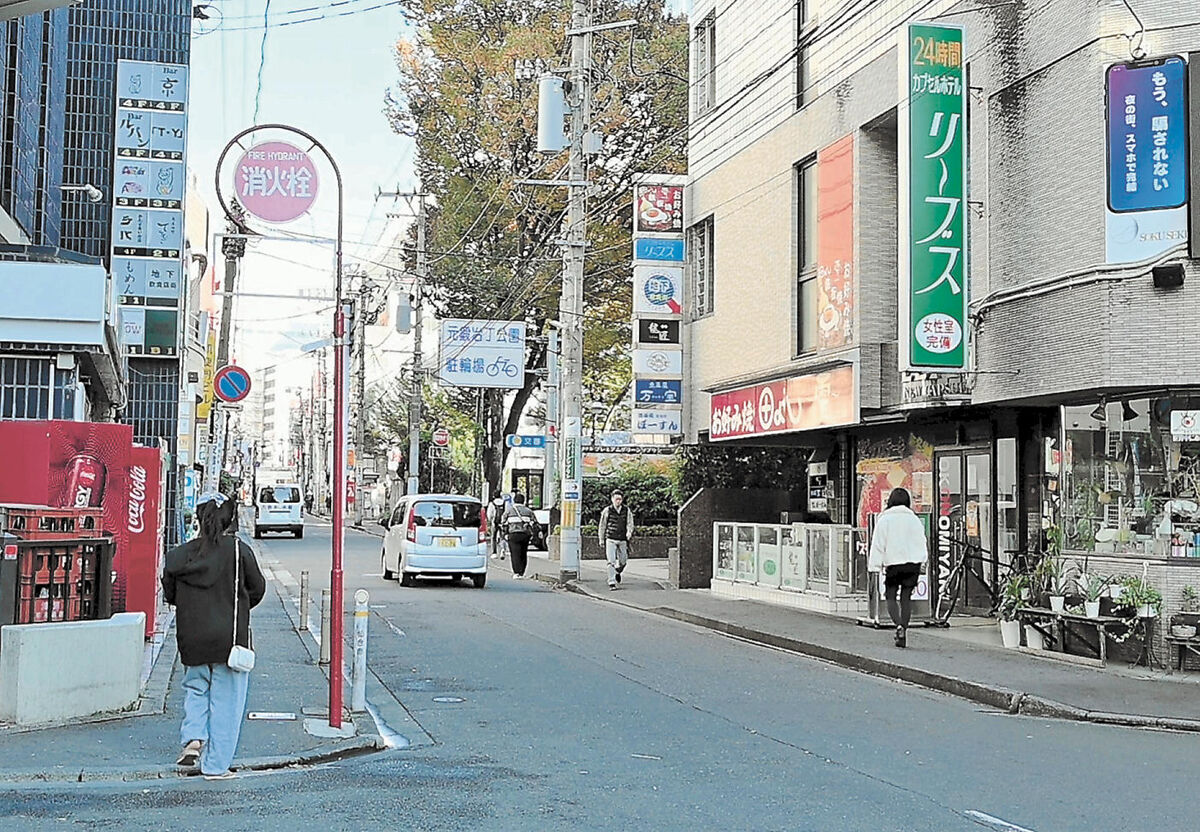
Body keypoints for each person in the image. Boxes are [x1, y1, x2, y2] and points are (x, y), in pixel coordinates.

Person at [161, 491, 266, 779]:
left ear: (198, 518)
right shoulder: (238, 551)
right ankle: (216, 766)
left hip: (192, 637)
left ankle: (193, 738)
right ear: (229, 518)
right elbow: (256, 588)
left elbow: (170, 594)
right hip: (228, 640)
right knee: (227, 702)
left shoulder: (180, 556)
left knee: (196, 689)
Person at [867, 487, 929, 648]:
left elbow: (878, 544)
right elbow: (921, 541)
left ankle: (899, 626)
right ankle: (904, 628)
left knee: (890, 595)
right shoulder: (914, 519)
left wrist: (874, 565)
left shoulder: (885, 519)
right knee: (906, 598)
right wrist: (923, 560)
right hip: (913, 563)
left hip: (893, 564)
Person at [598, 491, 634, 591]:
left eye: (620, 499)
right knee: (611, 561)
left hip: (622, 539)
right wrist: (601, 539)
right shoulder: (607, 510)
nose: (618, 501)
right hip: (610, 538)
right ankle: (611, 582)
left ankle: (618, 572)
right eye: (616, 499)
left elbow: (630, 523)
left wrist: (629, 532)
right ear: (612, 499)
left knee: (623, 561)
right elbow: (602, 525)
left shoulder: (626, 510)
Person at [502, 492, 538, 579]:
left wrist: (504, 534)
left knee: (514, 553)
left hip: (513, 534)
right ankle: (522, 571)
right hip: (525, 534)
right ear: (523, 501)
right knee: (523, 552)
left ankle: (516, 572)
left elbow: (503, 522)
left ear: (514, 501)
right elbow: (534, 523)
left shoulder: (509, 511)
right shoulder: (529, 511)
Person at [488, 496, 507, 560]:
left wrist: (491, 521)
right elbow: (506, 512)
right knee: (502, 537)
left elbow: (489, 514)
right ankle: (502, 549)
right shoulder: (504, 503)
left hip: (494, 522)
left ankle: (494, 553)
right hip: (502, 523)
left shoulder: (492, 503)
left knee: (493, 537)